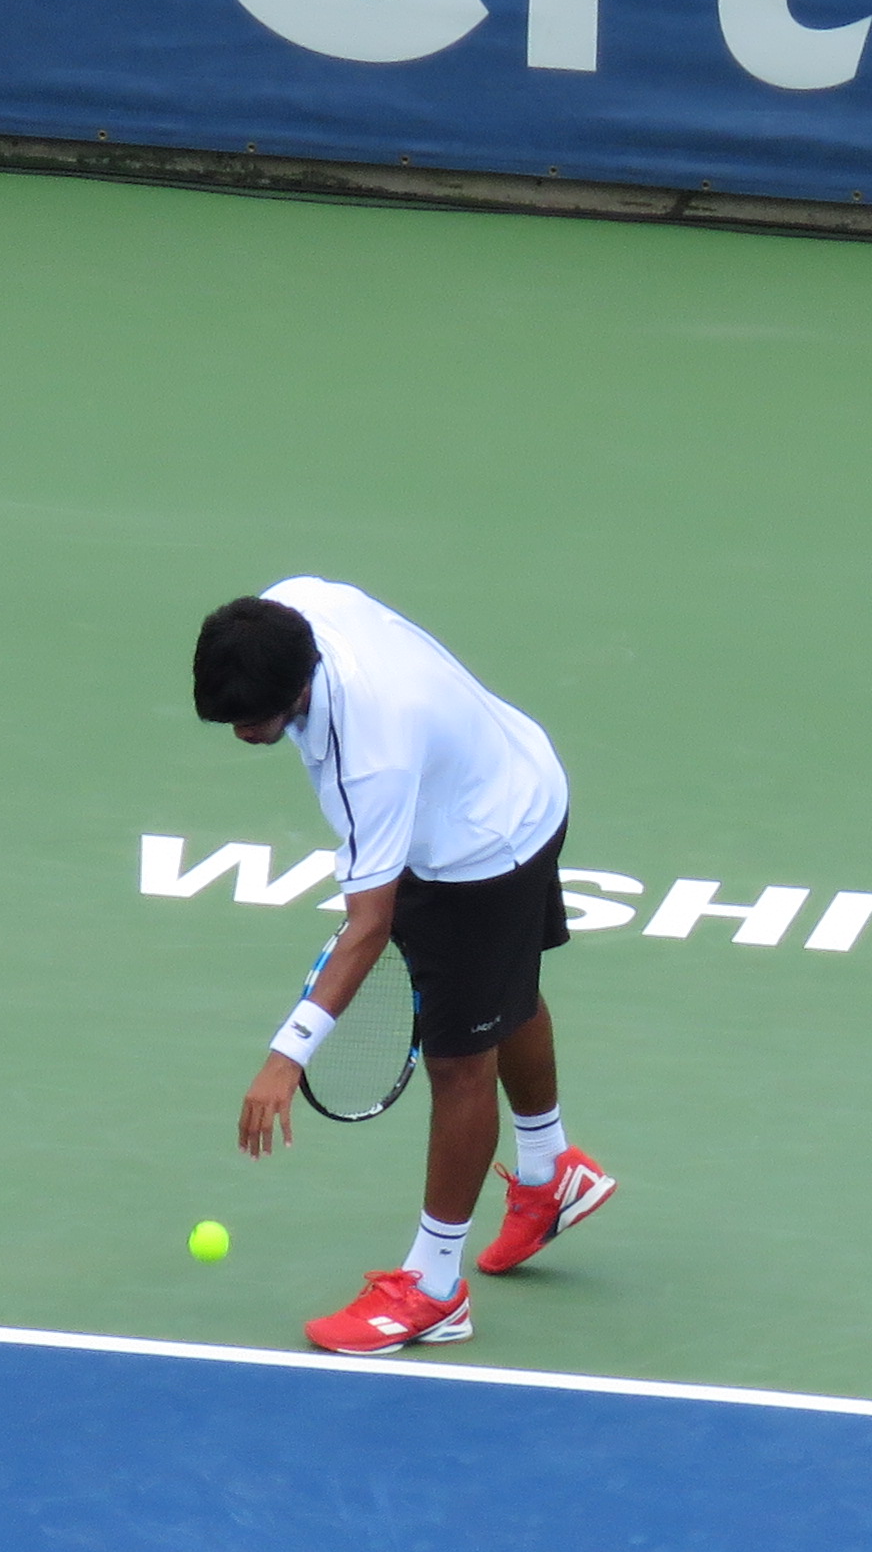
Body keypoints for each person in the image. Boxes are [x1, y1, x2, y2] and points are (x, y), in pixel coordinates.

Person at [189, 579, 615, 1353]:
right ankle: (551, 1170)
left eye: (254, 722)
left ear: (301, 689)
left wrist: (286, 1057)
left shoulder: (371, 758)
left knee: (459, 1063)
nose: (243, 734)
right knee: (504, 989)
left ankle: (434, 1288)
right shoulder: (290, 608)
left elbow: (368, 925)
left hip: (480, 849)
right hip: (512, 772)